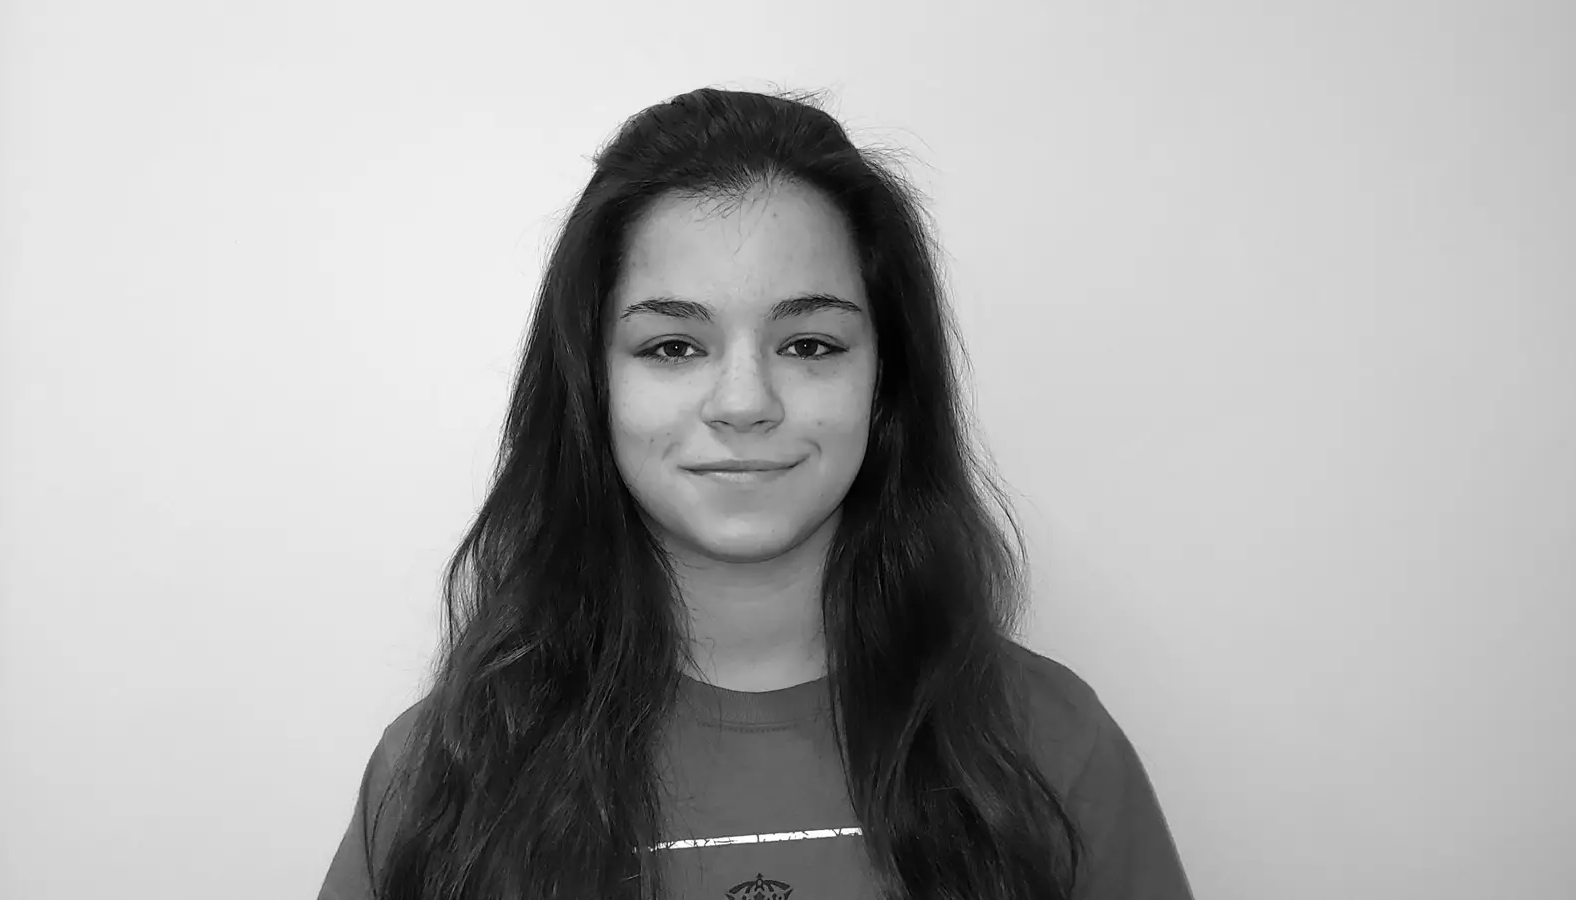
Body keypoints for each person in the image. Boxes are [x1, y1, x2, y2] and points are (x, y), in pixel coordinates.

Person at [317, 87, 1194, 900]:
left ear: (886, 385)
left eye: (809, 345)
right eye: (672, 347)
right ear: (592, 386)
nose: (744, 402)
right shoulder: (445, 772)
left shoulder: (1049, 745)